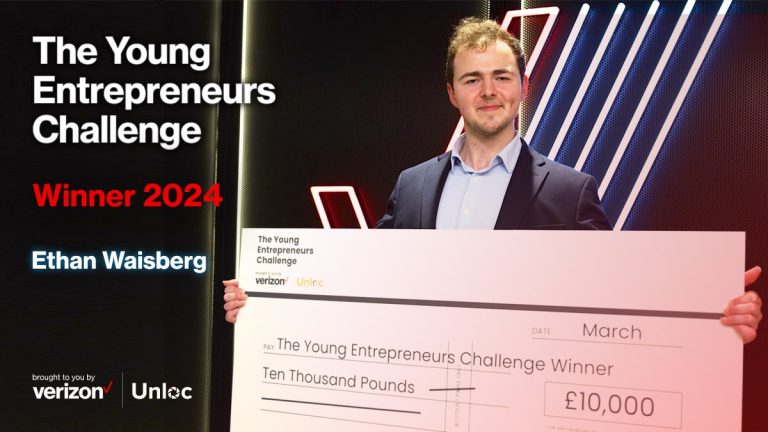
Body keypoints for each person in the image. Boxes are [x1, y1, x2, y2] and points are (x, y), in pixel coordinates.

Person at [224, 17, 762, 342]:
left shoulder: (570, 192)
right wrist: (269, 303)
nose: (488, 90)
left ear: (522, 89)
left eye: (502, 77)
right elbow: (367, 287)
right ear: (452, 94)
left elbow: (618, 298)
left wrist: (707, 310)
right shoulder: (411, 186)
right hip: (419, 396)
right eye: (472, 79)